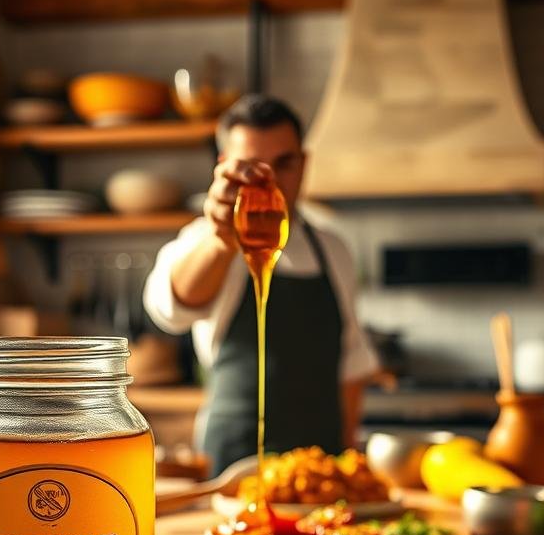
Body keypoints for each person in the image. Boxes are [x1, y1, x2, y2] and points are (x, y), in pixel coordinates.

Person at [143, 95, 379, 475]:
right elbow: (171, 309)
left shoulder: (333, 250)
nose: (272, 182)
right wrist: (223, 240)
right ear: (225, 167)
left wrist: (350, 458)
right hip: (233, 462)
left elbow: (352, 363)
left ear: (303, 164)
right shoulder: (207, 239)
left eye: (284, 164)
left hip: (319, 465)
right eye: (254, 168)